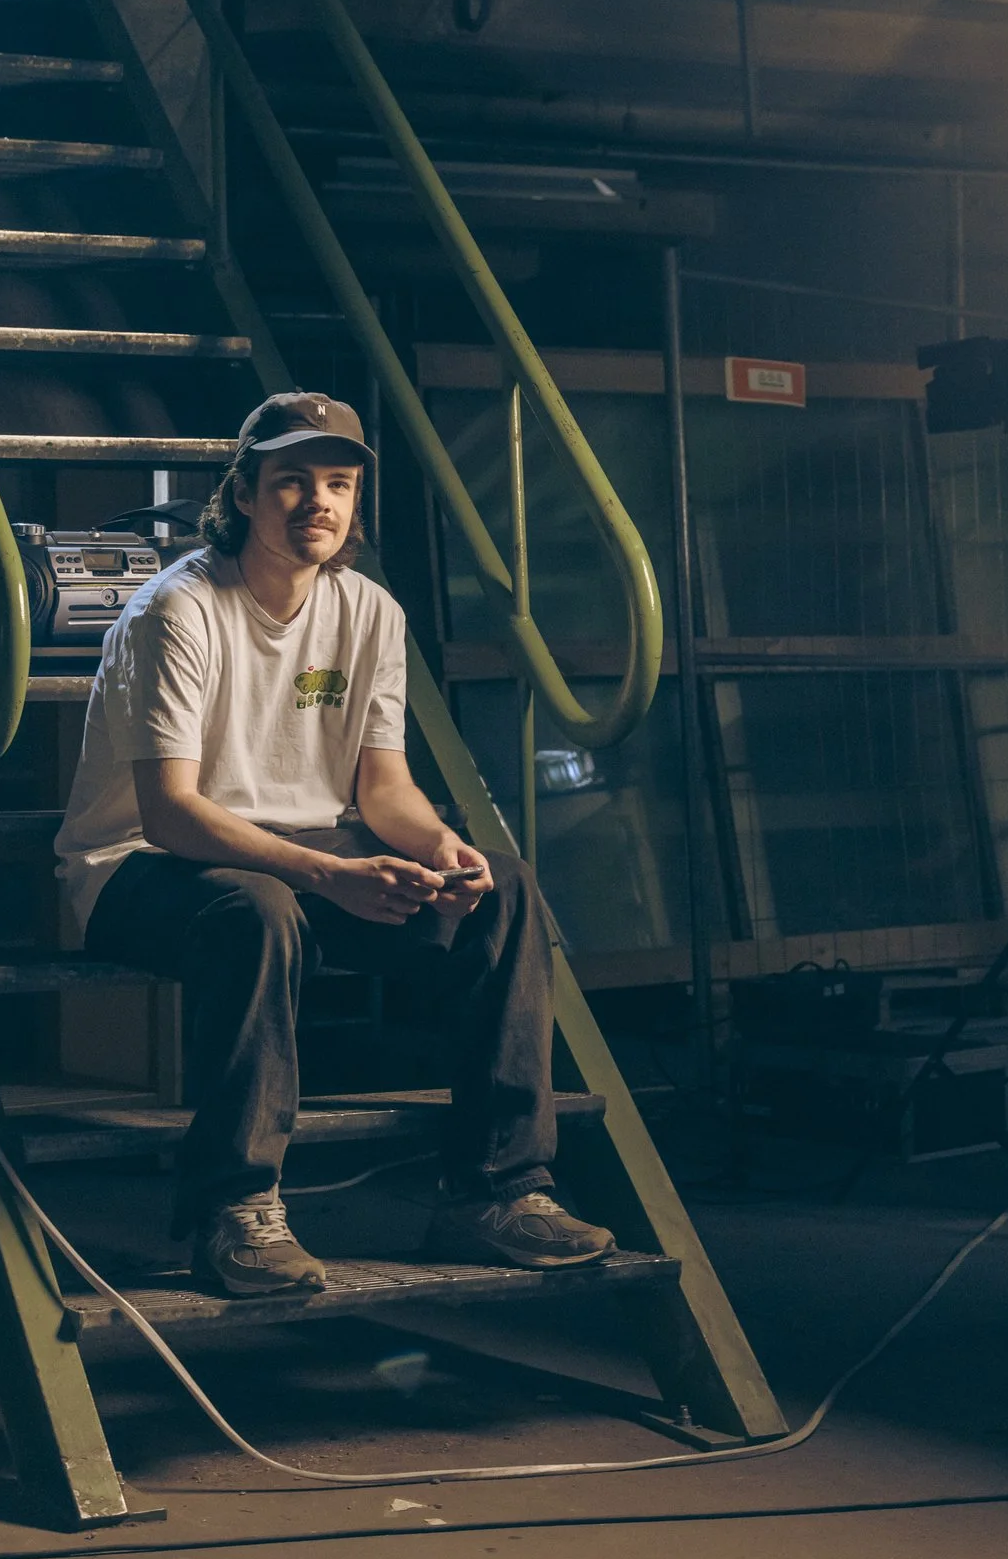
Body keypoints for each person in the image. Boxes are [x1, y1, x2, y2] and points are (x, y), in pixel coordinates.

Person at [54, 390, 615, 1296]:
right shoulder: (182, 610)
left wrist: (441, 846)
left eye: (339, 484)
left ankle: (497, 1189)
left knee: (503, 888)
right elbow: (170, 812)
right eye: (292, 481)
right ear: (244, 492)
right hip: (141, 871)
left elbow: (380, 787)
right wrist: (330, 874)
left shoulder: (369, 613)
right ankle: (235, 1209)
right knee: (258, 906)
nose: (318, 501)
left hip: (312, 858)